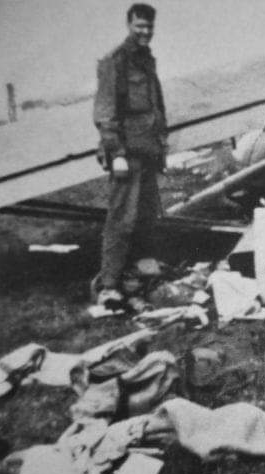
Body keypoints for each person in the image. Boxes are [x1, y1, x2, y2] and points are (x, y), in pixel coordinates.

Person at [92, 3, 167, 306]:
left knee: (146, 217)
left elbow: (154, 106)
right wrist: (117, 154)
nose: (145, 32)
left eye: (149, 27)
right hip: (128, 153)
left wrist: (160, 144)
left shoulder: (146, 59)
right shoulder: (115, 61)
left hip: (147, 150)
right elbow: (106, 113)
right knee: (121, 219)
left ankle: (138, 279)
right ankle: (109, 285)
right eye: (140, 26)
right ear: (129, 25)